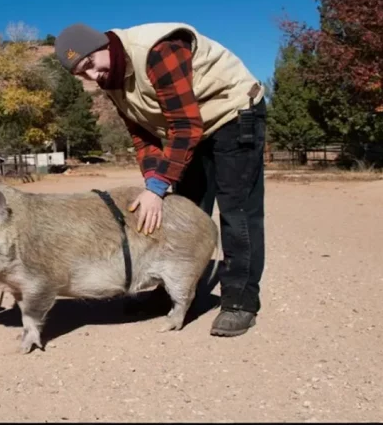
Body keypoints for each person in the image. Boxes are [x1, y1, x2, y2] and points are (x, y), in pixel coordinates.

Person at [54, 22, 267, 337]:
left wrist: (156, 188)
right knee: (184, 211)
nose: (91, 76)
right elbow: (143, 135)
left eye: (89, 64)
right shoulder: (111, 80)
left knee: (237, 211)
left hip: (232, 114)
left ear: (102, 46)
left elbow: (184, 124)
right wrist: (154, 180)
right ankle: (174, 290)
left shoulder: (157, 51)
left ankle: (240, 300)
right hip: (193, 128)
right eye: (81, 74)